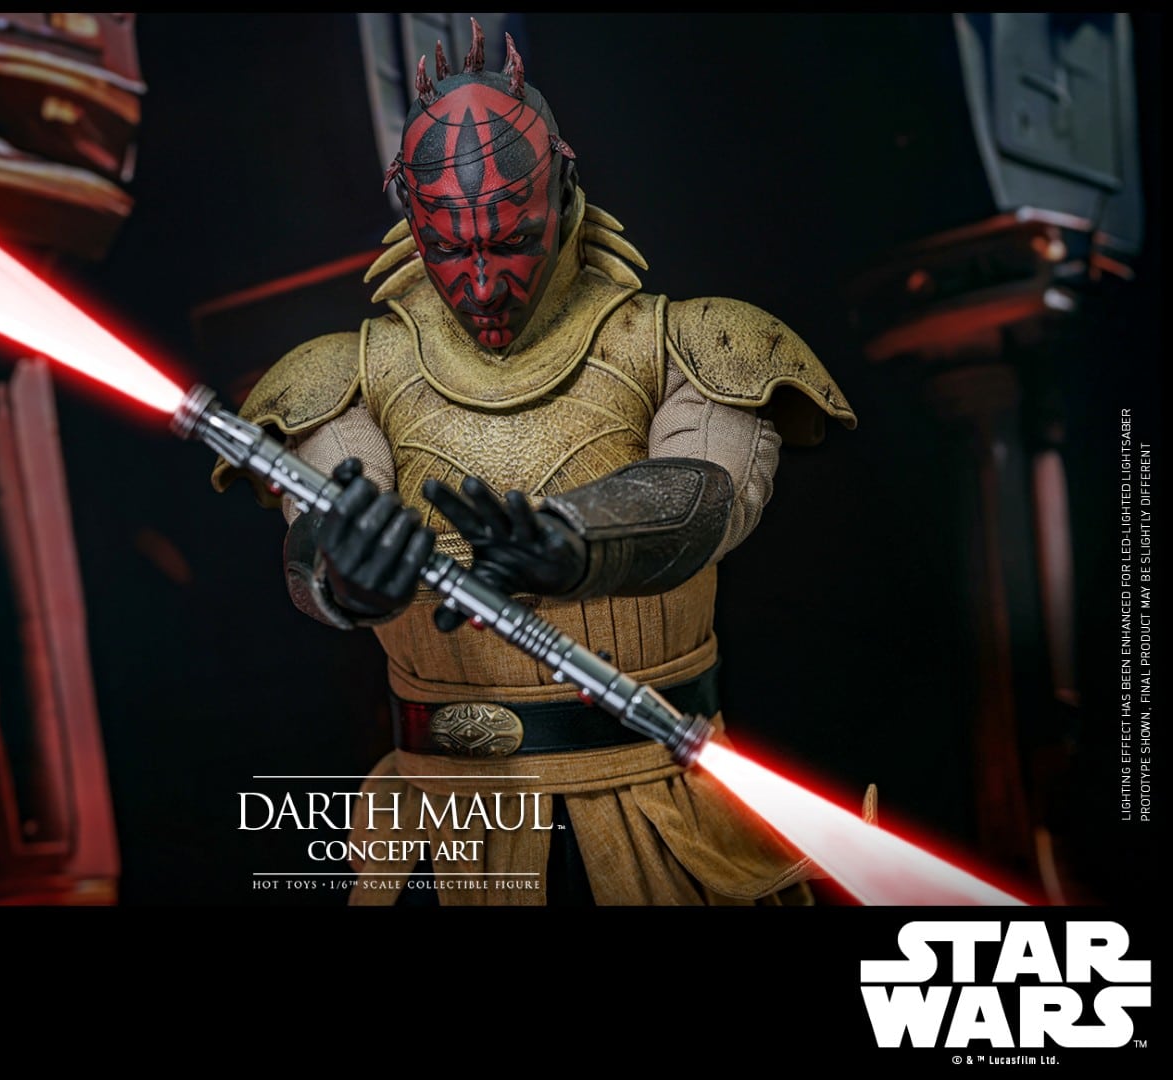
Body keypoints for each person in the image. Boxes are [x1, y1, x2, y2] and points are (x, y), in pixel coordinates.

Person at [212, 20, 856, 905]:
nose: (481, 286)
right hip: (440, 828)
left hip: (661, 812)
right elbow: (325, 511)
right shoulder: (345, 374)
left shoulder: (688, 341)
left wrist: (579, 539)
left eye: (510, 240)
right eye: (450, 248)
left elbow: (708, 494)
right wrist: (343, 568)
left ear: (563, 196)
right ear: (413, 224)